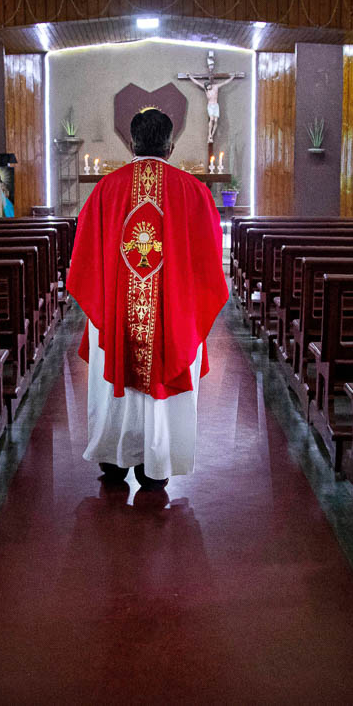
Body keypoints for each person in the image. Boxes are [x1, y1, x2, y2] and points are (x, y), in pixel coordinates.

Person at [67, 108, 228, 491]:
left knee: (114, 372)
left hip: (117, 310)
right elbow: (209, 262)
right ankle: (157, 463)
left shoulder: (107, 189)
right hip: (172, 318)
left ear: (131, 144)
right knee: (165, 370)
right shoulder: (194, 191)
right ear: (170, 147)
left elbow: (84, 256)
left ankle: (113, 457)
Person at [186, 74, 235, 143]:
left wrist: (232, 78)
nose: (209, 88)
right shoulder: (206, 89)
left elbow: (224, 83)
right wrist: (190, 77)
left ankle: (211, 136)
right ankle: (209, 135)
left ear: (210, 84)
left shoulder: (216, 87)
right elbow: (197, 82)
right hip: (210, 106)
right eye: (208, 88)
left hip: (216, 106)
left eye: (209, 87)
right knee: (211, 119)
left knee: (216, 121)